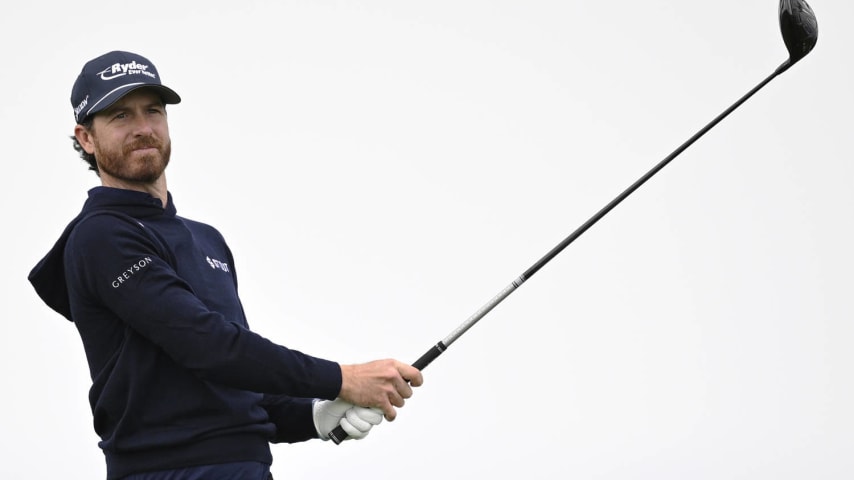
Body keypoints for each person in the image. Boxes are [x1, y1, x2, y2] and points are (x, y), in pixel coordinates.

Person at [28, 50, 423, 480]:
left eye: (153, 111)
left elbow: (235, 374)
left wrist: (314, 414)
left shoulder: (206, 239)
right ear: (86, 138)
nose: (144, 128)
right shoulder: (101, 235)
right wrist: (342, 378)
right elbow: (207, 344)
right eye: (121, 116)